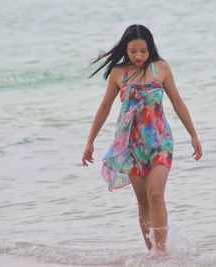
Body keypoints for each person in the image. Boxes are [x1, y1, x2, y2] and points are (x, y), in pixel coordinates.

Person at [82, 24, 202, 254]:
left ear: (151, 48)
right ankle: (152, 253)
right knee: (143, 202)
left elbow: (177, 102)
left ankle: (162, 252)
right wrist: (90, 141)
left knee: (155, 193)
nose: (139, 56)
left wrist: (193, 135)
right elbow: (105, 107)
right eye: (133, 51)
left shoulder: (161, 68)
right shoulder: (118, 74)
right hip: (131, 145)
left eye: (143, 51)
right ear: (126, 50)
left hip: (160, 142)